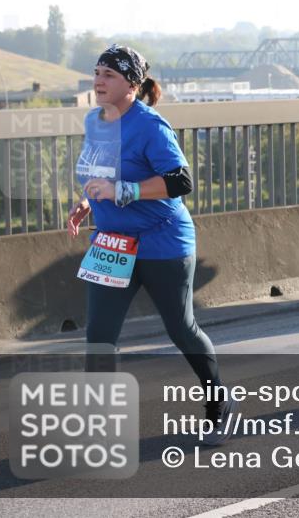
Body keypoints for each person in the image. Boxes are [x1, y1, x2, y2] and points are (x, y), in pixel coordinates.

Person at [68, 44, 235, 445]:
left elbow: (181, 182)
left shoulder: (151, 126)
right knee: (100, 336)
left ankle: (218, 403)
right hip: (112, 243)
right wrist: (87, 201)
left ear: (132, 83)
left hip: (162, 241)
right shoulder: (95, 121)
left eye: (109, 74)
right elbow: (101, 173)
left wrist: (120, 190)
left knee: (181, 328)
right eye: (96, 72)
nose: (98, 81)